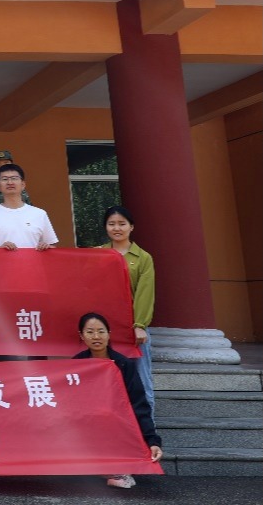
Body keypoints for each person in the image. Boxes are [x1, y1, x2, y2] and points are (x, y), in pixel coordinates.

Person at [74, 312, 163, 488]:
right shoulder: (77, 363)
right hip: (86, 424)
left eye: (101, 331)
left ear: (109, 334)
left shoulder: (124, 364)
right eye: (90, 332)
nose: (96, 336)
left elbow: (139, 403)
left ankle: (115, 468)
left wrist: (152, 441)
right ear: (81, 336)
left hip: (117, 424)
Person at [102, 205, 156, 409]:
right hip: (104, 329)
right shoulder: (97, 254)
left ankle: (147, 426)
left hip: (133, 329)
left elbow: (145, 293)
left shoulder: (143, 258)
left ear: (131, 227)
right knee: (108, 378)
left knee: (141, 379)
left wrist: (139, 325)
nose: (117, 228)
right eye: (111, 224)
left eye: (122, 224)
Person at [0, 163, 57, 250]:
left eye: (14, 178)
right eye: (5, 179)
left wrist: (46, 246)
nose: (10, 182)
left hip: (32, 259)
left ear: (23, 184)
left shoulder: (39, 214)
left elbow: (52, 245)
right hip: (2, 259)